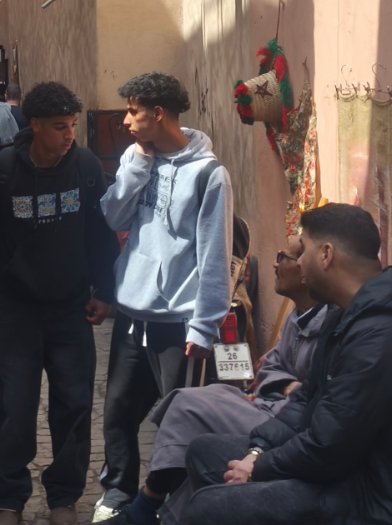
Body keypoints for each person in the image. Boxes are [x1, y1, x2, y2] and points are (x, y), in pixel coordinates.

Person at [178, 203, 392, 525]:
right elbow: (306, 400)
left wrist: (259, 468)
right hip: (348, 472)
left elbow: (329, 448)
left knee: (208, 509)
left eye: (303, 252)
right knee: (204, 452)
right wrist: (257, 451)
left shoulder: (386, 336)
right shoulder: (346, 312)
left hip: (383, 498)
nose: (298, 263)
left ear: (326, 254)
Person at [0, 82, 120, 525]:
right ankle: (8, 498)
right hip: (17, 311)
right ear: (34, 126)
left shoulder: (85, 166)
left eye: (72, 125)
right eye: (59, 127)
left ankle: (64, 497)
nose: (69, 135)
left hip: (71, 310)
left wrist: (104, 292)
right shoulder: (5, 170)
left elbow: (101, 238)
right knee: (13, 406)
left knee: (74, 405)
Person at [96, 72, 234, 522]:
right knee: (118, 411)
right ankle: (115, 495)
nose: (126, 120)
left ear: (158, 114)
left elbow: (214, 254)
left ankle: (173, 503)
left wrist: (204, 324)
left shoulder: (210, 175)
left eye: (133, 112)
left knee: (180, 424)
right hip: (132, 313)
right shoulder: (137, 158)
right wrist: (136, 165)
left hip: (178, 321)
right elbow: (112, 212)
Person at [113, 241, 327, 525]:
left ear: (305, 269)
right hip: (269, 405)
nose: (275, 265)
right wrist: (287, 385)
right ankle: (150, 507)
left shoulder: (332, 324)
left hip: (283, 419)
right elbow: (271, 366)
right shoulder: (297, 314)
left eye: (283, 257)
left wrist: (289, 389)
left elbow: (313, 397)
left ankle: (147, 507)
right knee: (189, 400)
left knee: (189, 407)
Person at [0, 84, 28, 158]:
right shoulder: (27, 114)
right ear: (21, 96)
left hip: (0, 158)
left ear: (5, 96)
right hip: (22, 159)